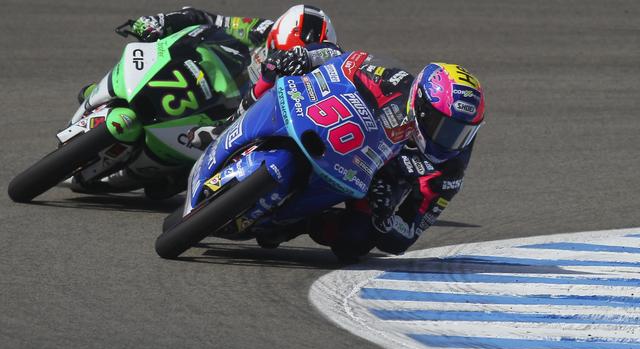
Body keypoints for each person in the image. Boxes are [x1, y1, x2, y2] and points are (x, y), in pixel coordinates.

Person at [222, 49, 485, 261]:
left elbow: (406, 235)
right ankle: (227, 126)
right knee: (279, 70)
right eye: (446, 127)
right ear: (422, 105)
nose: (451, 141)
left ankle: (294, 223)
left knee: (356, 241)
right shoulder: (394, 83)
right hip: (341, 131)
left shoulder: (449, 170)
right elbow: (346, 59)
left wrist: (386, 219)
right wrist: (307, 57)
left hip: (380, 181)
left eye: (463, 132)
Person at [73, 5, 341, 198]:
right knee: (144, 60)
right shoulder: (260, 29)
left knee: (177, 180)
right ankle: (103, 94)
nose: (279, 61)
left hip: (225, 120)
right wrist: (161, 21)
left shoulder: (313, 76)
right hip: (202, 82)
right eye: (279, 52)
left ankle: (167, 174)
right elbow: (205, 18)